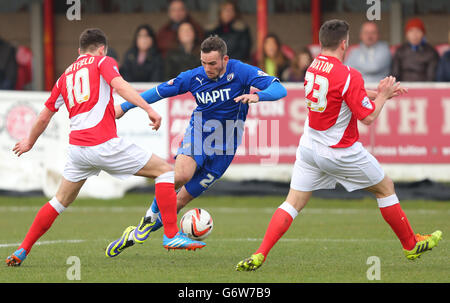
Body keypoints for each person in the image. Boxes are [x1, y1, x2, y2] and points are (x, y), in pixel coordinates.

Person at [236, 19, 442, 272]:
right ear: (345, 43)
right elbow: (367, 118)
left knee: (292, 202)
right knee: (385, 187)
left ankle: (259, 254)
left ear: (322, 42)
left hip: (310, 147)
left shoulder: (312, 67)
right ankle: (410, 245)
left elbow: (341, 92)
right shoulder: (348, 74)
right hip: (340, 151)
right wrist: (384, 98)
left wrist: (375, 93)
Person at [5, 28, 205, 267]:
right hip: (103, 143)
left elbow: (44, 117)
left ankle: (22, 250)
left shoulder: (64, 77)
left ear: (79, 51)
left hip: (78, 151)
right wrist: (148, 109)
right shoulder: (103, 61)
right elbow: (120, 86)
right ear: (102, 48)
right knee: (164, 171)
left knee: (58, 201)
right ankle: (171, 235)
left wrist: (29, 142)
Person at [107, 35, 287, 256]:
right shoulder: (194, 77)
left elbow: (279, 89)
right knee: (181, 175)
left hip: (225, 150)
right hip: (200, 134)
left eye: (212, 63)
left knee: (179, 201)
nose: (207, 68)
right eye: (203, 62)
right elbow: (160, 90)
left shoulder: (241, 72)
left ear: (225, 59)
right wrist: (125, 107)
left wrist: (259, 97)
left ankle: (135, 234)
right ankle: (149, 217)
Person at [391, 17, 439, 82]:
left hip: (424, 88)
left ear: (423, 34)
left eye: (418, 31)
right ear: (406, 34)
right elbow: (395, 74)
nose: (414, 35)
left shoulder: (431, 52)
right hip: (403, 88)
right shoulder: (400, 51)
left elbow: (431, 77)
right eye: (411, 31)